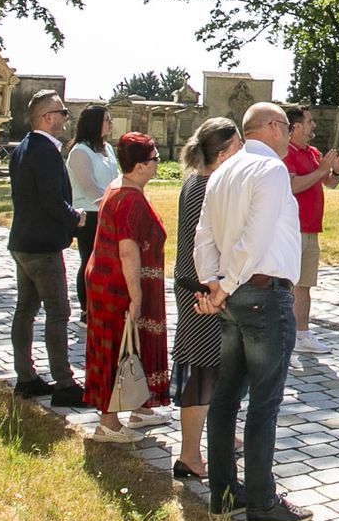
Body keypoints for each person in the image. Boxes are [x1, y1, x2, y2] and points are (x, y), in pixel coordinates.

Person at [195, 102, 311, 521]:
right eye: (287, 126)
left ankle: (224, 492)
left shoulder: (224, 169)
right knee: (265, 400)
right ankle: (262, 500)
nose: (291, 134)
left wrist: (213, 281)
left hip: (234, 292)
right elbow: (255, 237)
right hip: (261, 291)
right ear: (272, 128)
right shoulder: (271, 171)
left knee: (227, 397)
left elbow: (204, 234)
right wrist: (224, 284)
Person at [81, 132, 171, 443]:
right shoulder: (128, 198)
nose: (157, 163)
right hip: (119, 285)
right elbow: (128, 249)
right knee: (118, 347)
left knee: (133, 345)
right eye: (155, 159)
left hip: (111, 278)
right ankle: (108, 423)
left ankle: (138, 406)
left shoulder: (122, 187)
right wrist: (136, 296)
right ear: (141, 166)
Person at [171, 116, 242, 480]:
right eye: (239, 147)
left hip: (198, 285)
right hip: (201, 291)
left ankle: (221, 436)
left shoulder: (198, 181)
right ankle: (188, 455)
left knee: (217, 367)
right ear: (225, 151)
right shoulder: (208, 186)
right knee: (201, 370)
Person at [9, 89, 86, 406]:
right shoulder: (43, 151)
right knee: (58, 312)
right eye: (62, 111)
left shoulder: (25, 147)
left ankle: (25, 377)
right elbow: (51, 201)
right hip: (42, 247)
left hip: (23, 242)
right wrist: (76, 219)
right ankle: (65, 384)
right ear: (47, 117)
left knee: (25, 312)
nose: (66, 117)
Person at [284, 104, 339, 361]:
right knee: (287, 285)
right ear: (296, 126)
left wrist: (335, 171)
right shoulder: (285, 153)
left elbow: (330, 184)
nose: (314, 125)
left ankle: (302, 335)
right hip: (292, 230)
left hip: (312, 230)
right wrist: (321, 170)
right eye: (309, 121)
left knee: (305, 285)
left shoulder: (313, 152)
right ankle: (285, 336)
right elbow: (292, 186)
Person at [66, 104, 118, 309]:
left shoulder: (108, 148)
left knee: (108, 262)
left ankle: (104, 301)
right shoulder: (80, 152)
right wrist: (112, 202)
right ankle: (86, 308)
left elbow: (114, 179)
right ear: (94, 123)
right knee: (90, 260)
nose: (110, 122)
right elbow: (89, 187)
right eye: (106, 119)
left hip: (108, 211)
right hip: (89, 214)